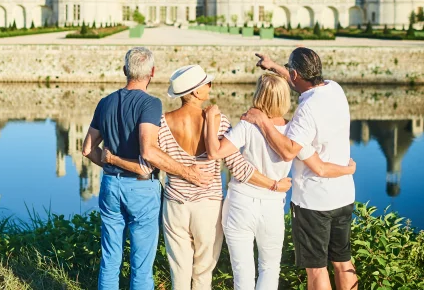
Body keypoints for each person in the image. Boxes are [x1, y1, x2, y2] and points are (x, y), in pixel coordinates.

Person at [103, 64, 292, 290]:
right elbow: (237, 166)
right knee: (203, 273)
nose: (210, 87)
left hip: (175, 205)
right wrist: (274, 184)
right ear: (195, 91)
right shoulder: (218, 121)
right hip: (208, 207)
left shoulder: (162, 122)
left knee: (179, 272)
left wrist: (113, 159)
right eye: (207, 84)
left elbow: (147, 164)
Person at [204, 73, 356, 290]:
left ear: (259, 95)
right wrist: (347, 169)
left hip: (240, 202)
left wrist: (211, 120)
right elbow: (319, 166)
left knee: (242, 271)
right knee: (270, 268)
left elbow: (216, 152)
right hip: (272, 206)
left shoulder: (248, 125)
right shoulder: (294, 132)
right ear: (285, 98)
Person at [82, 48, 213, 290]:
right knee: (141, 265)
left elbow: (88, 148)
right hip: (141, 188)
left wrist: (111, 162)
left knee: (110, 259)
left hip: (111, 185)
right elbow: (149, 152)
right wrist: (189, 172)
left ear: (125, 71)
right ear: (152, 72)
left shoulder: (105, 102)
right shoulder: (150, 104)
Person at [242, 48, 358, 290]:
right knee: (343, 262)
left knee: (316, 269)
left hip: (313, 202)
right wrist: (274, 66)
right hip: (344, 195)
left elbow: (288, 150)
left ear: (295, 74)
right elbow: (299, 80)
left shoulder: (307, 110)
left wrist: (262, 121)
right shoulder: (335, 89)